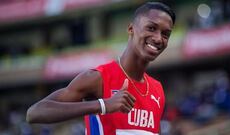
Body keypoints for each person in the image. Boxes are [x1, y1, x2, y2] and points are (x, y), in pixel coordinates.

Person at [26, 2, 175, 135]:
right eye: (151, 28)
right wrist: (103, 105)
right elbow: (34, 113)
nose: (158, 38)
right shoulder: (98, 77)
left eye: (165, 34)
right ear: (131, 29)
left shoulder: (157, 89)